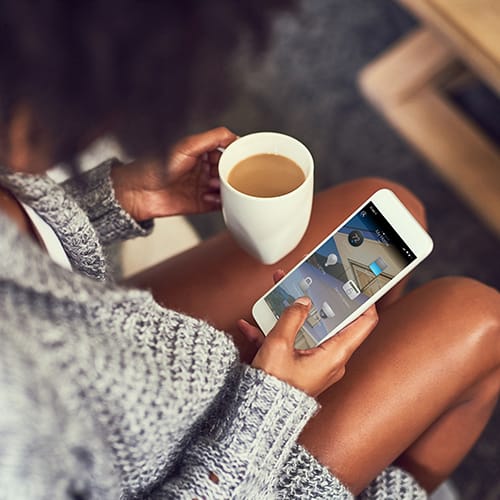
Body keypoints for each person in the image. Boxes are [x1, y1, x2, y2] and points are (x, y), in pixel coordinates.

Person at [0, 1, 499, 499]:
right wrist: (269, 407)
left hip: (127, 352)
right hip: (216, 474)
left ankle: (362, 379)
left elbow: (34, 274)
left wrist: (115, 199)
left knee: (388, 214)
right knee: (482, 319)